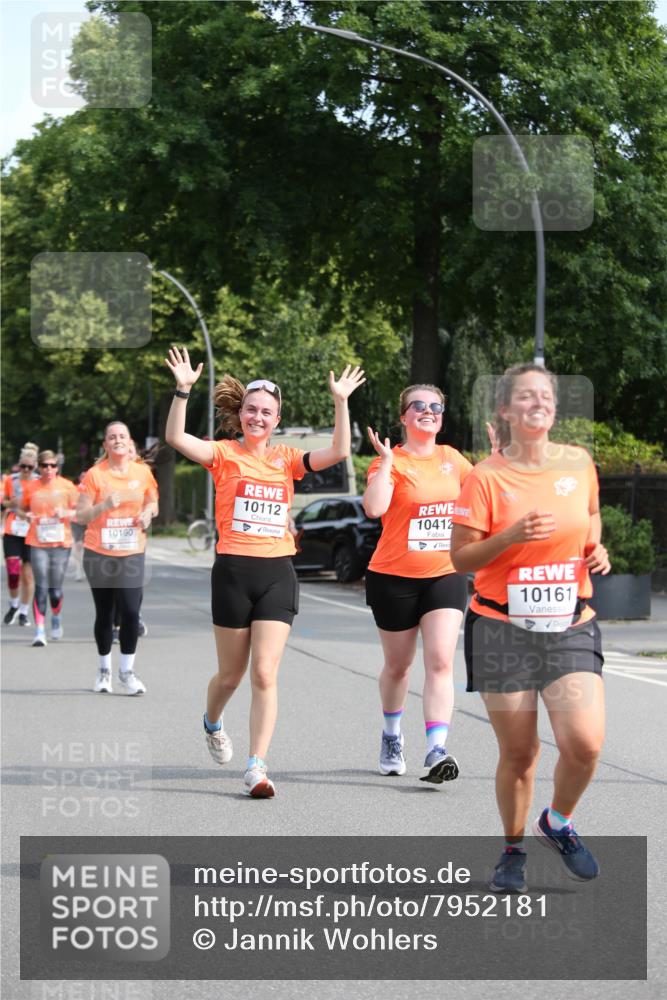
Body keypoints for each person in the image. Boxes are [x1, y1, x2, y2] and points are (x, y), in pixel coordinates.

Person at [165, 346, 365, 798]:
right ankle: (212, 721)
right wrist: (182, 391)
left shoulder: (288, 459)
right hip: (233, 573)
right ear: (242, 414)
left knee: (265, 673)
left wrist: (341, 401)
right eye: (252, 410)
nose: (258, 417)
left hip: (277, 572)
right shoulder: (221, 454)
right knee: (230, 676)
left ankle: (256, 765)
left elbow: (337, 449)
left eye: (267, 412)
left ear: (277, 420)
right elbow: (177, 439)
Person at [450, 363, 610, 893]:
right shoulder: (486, 476)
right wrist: (511, 536)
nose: (537, 403)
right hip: (501, 626)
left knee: (584, 744)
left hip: (570, 622)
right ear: (504, 410)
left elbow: (589, 515)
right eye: (525, 396)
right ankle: (513, 849)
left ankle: (557, 822)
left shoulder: (578, 462)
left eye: (545, 396)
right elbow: (460, 557)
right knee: (520, 753)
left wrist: (594, 547)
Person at [363, 385, 472, 784]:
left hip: (445, 574)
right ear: (404, 417)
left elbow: (484, 499)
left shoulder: (454, 460)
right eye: (419, 406)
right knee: (398, 666)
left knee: (441, 660)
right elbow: (374, 508)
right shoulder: (389, 462)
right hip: (393, 577)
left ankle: (436, 748)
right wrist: (389, 461)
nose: (428, 411)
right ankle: (392, 735)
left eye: (436, 407)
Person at [76, 421, 159, 695]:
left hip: (132, 551)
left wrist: (147, 514)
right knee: (105, 612)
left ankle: (126, 671)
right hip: (99, 552)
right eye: (112, 437)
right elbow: (82, 515)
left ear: (129, 441)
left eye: (122, 436)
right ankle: (104, 671)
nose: (117, 440)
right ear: (106, 445)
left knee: (131, 611)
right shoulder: (94, 476)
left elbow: (152, 502)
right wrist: (104, 505)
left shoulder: (142, 472)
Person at [23, 450, 79, 646]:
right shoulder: (32, 487)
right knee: (41, 585)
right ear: (39, 467)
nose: (49, 469)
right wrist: (25, 515)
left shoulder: (67, 486)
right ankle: (39, 631)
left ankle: (56, 616)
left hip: (61, 543)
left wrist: (66, 512)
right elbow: (22, 509)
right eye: (45, 465)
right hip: (37, 542)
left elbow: (80, 512)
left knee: (55, 591)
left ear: (57, 467)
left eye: (52, 465)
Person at [2, 443, 39, 626]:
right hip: (12, 529)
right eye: (23, 466)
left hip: (31, 531)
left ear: (35, 467)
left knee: (28, 575)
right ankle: (14, 605)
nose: (25, 470)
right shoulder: (11, 480)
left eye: (29, 467)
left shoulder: (40, 482)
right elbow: (4, 503)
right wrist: (10, 504)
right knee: (13, 571)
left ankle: (24, 612)